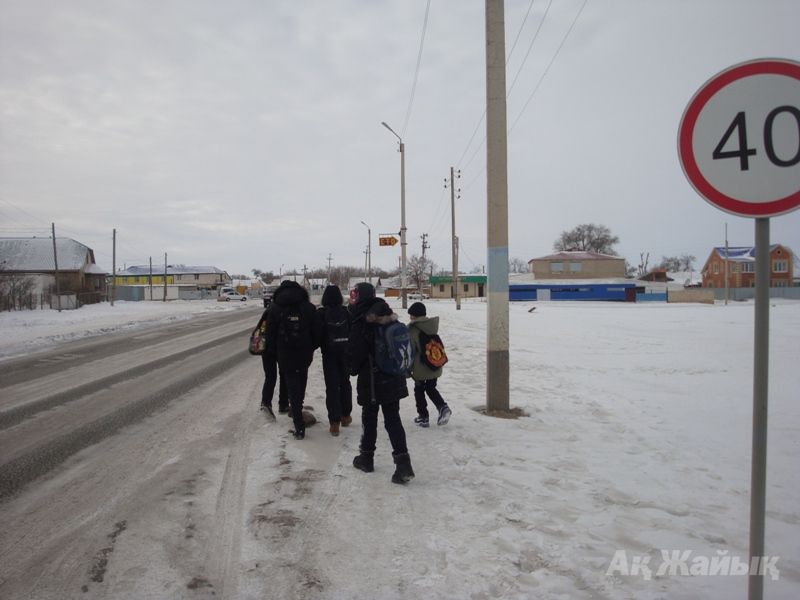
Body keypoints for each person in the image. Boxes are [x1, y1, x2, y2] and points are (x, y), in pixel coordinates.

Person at [348, 282, 414, 484]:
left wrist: (350, 367)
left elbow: (355, 356)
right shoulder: (387, 313)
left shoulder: (362, 320)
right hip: (393, 376)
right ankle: (403, 464)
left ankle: (366, 457)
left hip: (372, 379)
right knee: (393, 419)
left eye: (355, 294)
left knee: (369, 418)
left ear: (361, 297)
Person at [266, 280, 318, 440]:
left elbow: (270, 334)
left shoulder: (274, 308)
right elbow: (317, 332)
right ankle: (298, 410)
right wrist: (310, 347)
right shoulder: (308, 308)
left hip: (285, 354)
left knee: (291, 385)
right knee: (301, 382)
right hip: (304, 353)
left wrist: (276, 351)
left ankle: (298, 425)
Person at [316, 285, 353, 436]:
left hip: (329, 354)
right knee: (345, 383)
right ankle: (346, 415)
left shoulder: (321, 313)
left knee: (332, 387)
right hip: (345, 352)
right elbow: (352, 330)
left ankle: (334, 422)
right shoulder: (346, 312)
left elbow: (318, 334)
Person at [407, 301, 451, 427]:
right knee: (431, 388)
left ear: (414, 316)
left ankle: (424, 416)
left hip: (420, 367)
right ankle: (442, 407)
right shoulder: (431, 325)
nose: (410, 317)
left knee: (419, 390)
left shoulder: (413, 329)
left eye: (411, 315)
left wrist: (407, 370)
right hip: (434, 363)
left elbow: (410, 351)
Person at [257, 304, 288, 418]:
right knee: (284, 375)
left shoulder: (270, 309)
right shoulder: (287, 309)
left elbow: (261, 327)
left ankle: (266, 402)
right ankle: (283, 404)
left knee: (270, 376)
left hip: (267, 348)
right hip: (281, 347)